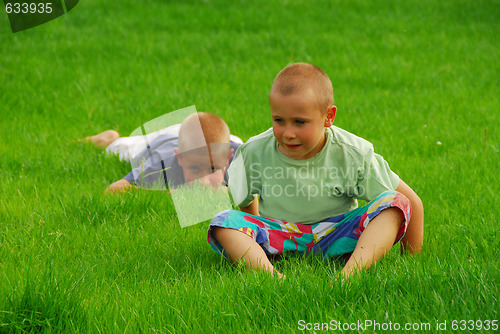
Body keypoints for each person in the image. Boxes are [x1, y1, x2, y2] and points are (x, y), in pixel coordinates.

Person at [207, 63, 424, 279]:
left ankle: (347, 277)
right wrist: (256, 233)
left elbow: (411, 202)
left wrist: (410, 262)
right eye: (279, 120)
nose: (288, 133)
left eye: (300, 122)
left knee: (396, 202)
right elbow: (244, 199)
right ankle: (273, 277)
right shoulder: (253, 152)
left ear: (329, 116)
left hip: (339, 234)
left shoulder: (352, 153)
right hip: (282, 237)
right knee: (223, 221)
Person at [85, 112, 243, 193]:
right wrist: (163, 192)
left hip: (217, 138)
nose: (203, 181)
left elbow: (260, 192)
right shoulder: (162, 164)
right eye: (194, 169)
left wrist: (228, 190)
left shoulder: (240, 160)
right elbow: (113, 189)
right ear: (180, 159)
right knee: (119, 149)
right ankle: (105, 139)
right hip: (162, 141)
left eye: (212, 169)